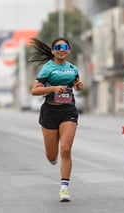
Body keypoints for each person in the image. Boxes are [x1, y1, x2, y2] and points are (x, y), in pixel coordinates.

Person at [29, 37, 84, 202]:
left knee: (66, 150)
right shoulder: (47, 69)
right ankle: (52, 158)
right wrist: (53, 89)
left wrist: (79, 85)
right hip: (50, 112)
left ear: (69, 50)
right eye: (58, 47)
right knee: (51, 155)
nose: (61, 49)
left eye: (65, 46)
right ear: (53, 51)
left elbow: (77, 83)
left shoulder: (73, 68)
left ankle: (64, 189)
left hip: (68, 111)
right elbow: (34, 90)